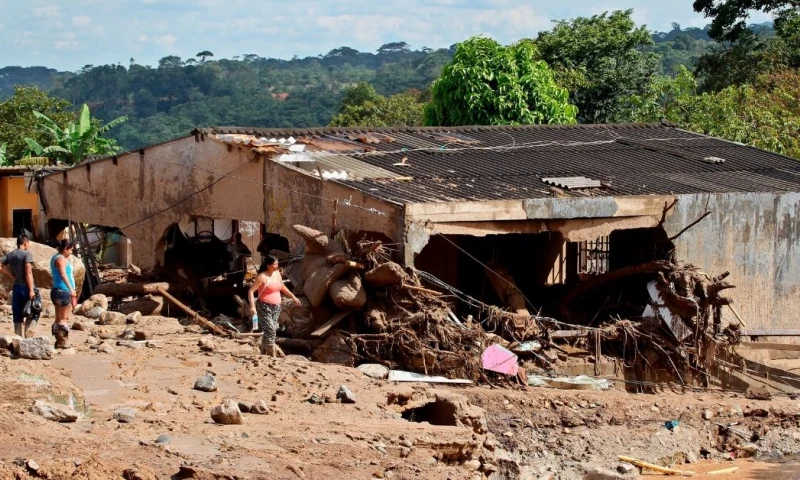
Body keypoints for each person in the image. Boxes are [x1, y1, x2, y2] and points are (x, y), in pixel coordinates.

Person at [248, 255, 300, 357]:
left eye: (277, 263)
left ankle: (263, 351)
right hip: (264, 306)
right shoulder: (262, 277)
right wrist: (252, 306)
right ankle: (271, 355)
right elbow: (251, 291)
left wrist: (293, 297)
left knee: (270, 329)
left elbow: (282, 287)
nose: (277, 265)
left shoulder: (277, 274)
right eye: (275, 264)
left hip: (276, 306)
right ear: (268, 265)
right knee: (271, 330)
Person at [0, 234, 38, 337]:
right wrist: (31, 290)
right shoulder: (27, 254)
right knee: (34, 311)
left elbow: (0, 265)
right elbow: (28, 272)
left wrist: (10, 274)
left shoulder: (11, 255)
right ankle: (28, 336)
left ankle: (18, 339)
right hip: (26, 287)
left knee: (17, 315)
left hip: (16, 288)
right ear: (25, 243)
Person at [50, 240, 77, 349]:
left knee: (58, 317)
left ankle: (58, 341)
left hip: (57, 290)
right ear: (65, 249)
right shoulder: (61, 259)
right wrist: (71, 289)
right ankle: (62, 342)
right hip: (63, 291)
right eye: (70, 249)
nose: (71, 252)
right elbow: (63, 274)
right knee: (64, 318)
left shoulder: (55, 257)